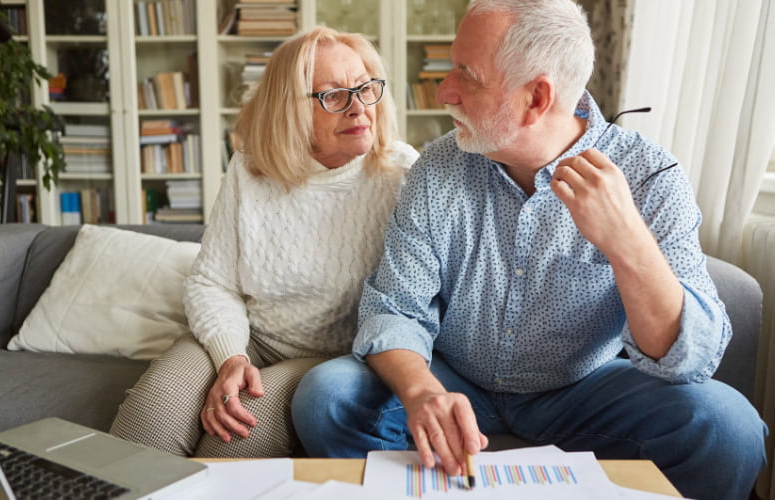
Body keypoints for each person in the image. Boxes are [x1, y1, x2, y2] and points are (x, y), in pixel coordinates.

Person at [290, 2, 766, 499]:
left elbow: (692, 360)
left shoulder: (650, 176)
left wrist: (628, 243)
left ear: (536, 98)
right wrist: (423, 391)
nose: (444, 91)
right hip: (456, 378)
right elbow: (394, 307)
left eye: (466, 76)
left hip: (586, 389)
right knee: (328, 397)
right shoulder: (437, 168)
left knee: (728, 430)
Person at [110, 26, 418, 458]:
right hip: (250, 337)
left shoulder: (403, 175)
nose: (358, 108)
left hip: (332, 359)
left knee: (231, 440)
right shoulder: (250, 168)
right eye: (333, 95)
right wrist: (231, 358)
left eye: (366, 88)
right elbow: (212, 282)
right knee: (148, 423)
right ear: (289, 109)